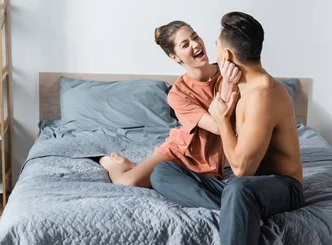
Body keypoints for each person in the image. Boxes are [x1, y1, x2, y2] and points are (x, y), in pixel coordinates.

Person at [150, 11, 305, 245]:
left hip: (282, 186)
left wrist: (221, 118)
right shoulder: (231, 84)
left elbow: (241, 169)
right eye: (186, 42)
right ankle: (240, 213)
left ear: (227, 55)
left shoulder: (262, 94)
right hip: (239, 185)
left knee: (239, 191)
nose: (206, 45)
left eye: (215, 41)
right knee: (162, 173)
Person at [99, 21, 241, 187]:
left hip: (211, 163)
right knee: (127, 183)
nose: (195, 44)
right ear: (175, 57)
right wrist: (229, 84)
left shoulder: (229, 72)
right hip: (179, 153)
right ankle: (108, 162)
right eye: (185, 44)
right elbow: (218, 126)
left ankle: (136, 167)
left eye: (195, 36)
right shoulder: (178, 94)